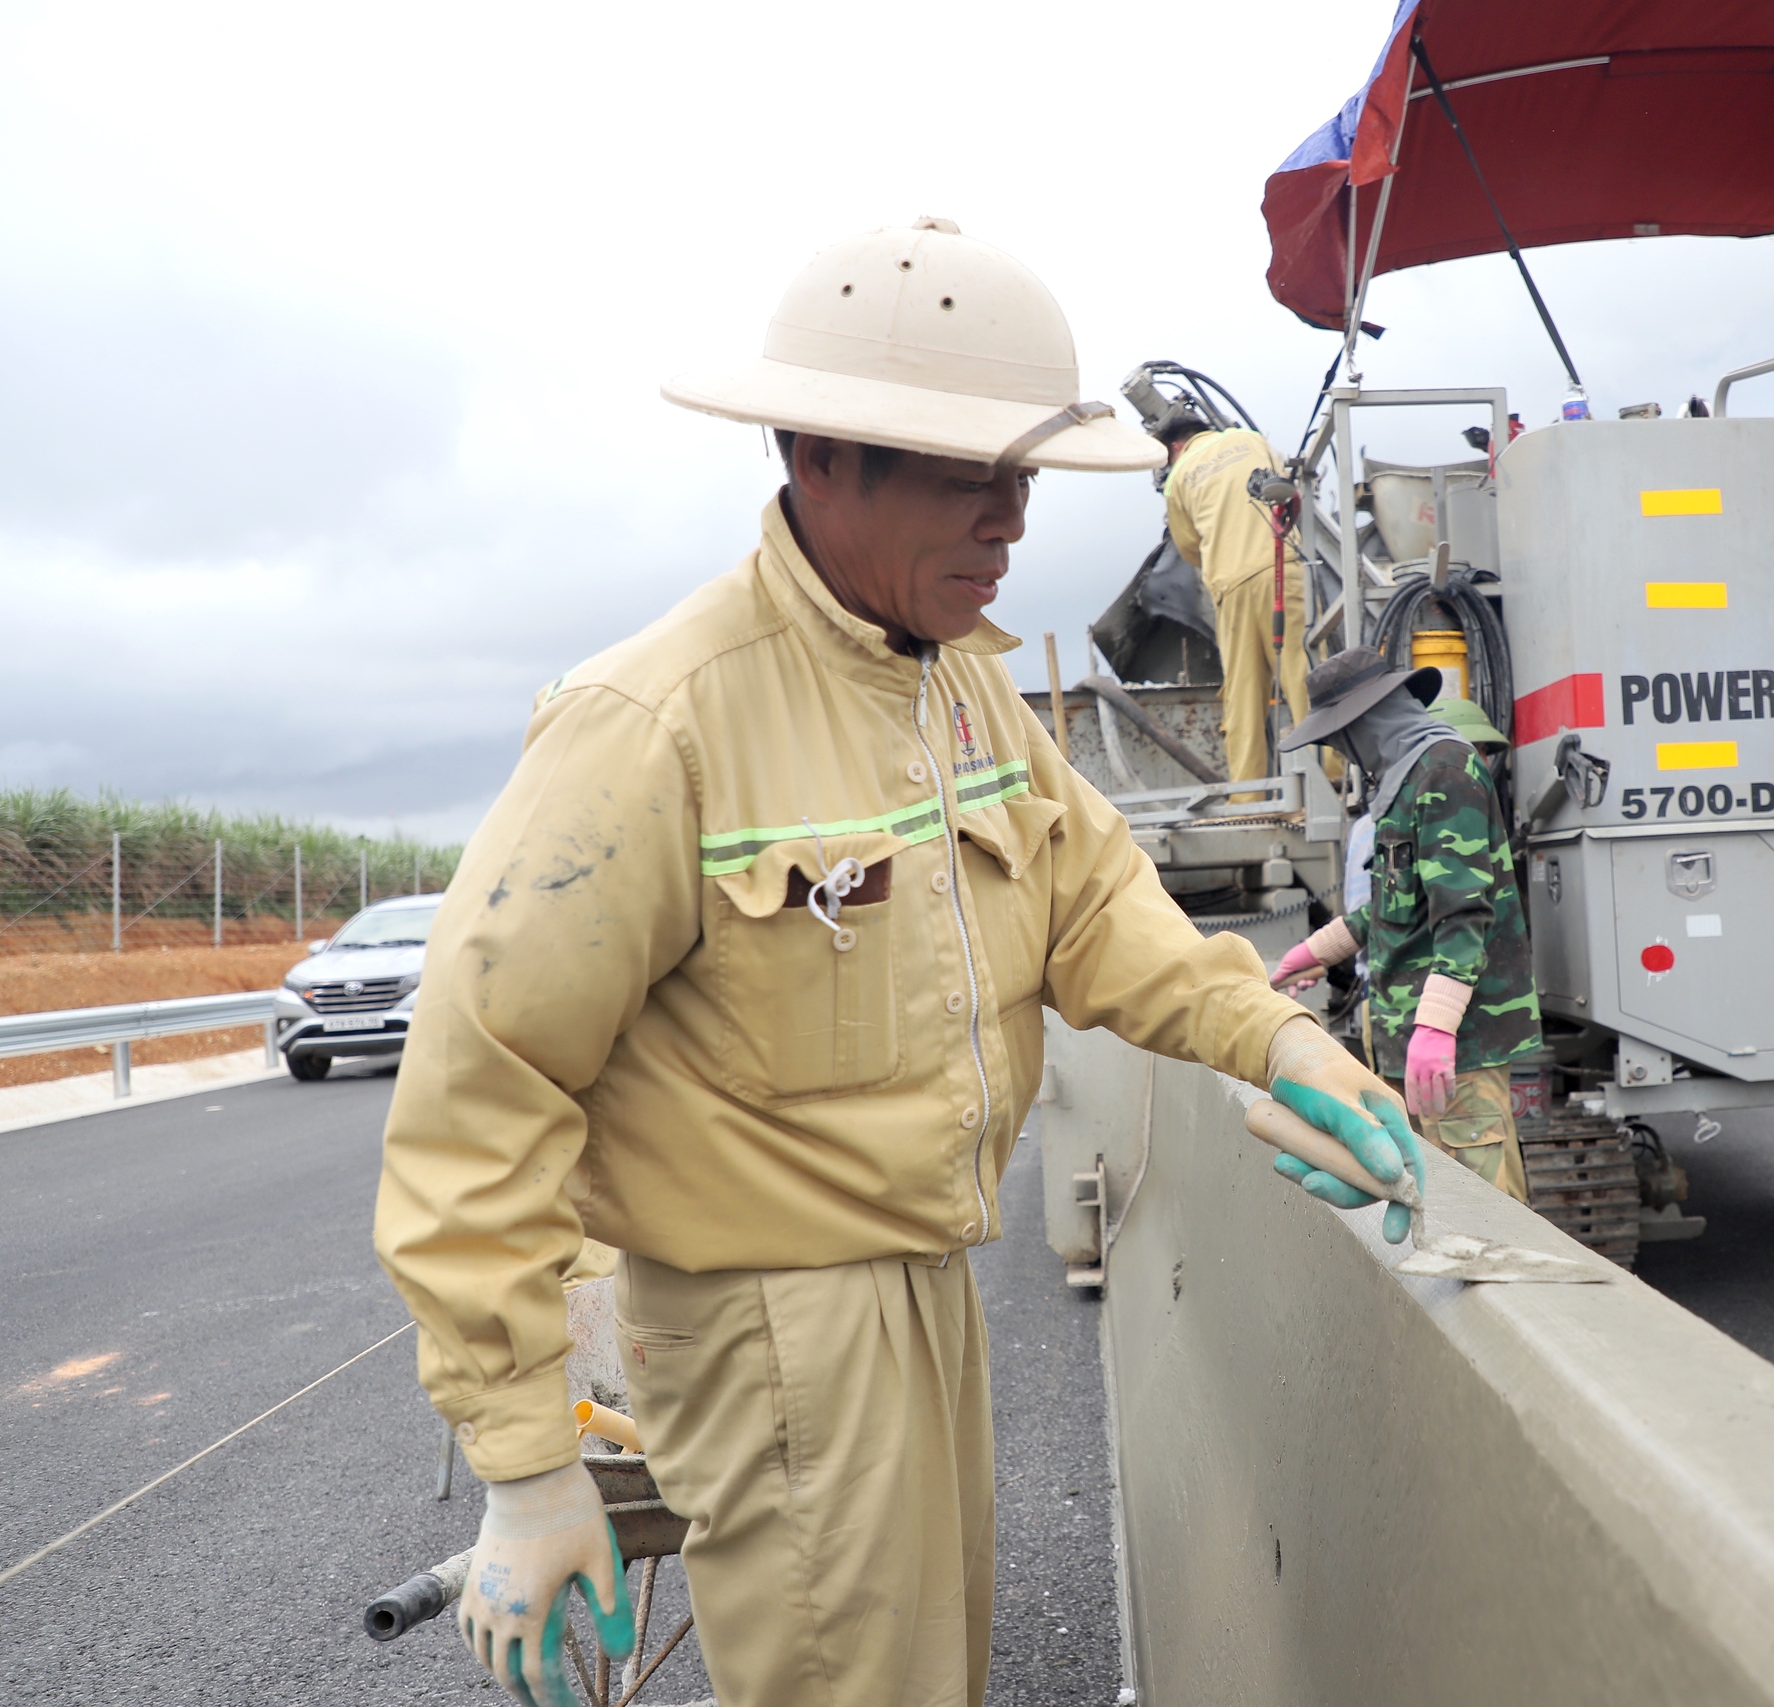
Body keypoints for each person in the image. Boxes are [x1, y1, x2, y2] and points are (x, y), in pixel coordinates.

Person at [372, 218, 1416, 1707]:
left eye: (1024, 476)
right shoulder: (658, 722)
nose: (1010, 520)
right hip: (770, 1325)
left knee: (929, 1676)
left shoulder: (963, 684)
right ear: (815, 457)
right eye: (962, 475)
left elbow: (1095, 901)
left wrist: (1275, 1037)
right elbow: (479, 1096)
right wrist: (528, 1464)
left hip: (925, 1280)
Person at [1271, 650, 1544, 1203]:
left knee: (1483, 1210)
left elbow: (1464, 910)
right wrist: (1318, 951)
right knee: (1433, 1199)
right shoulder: (1405, 779)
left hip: (1459, 1048)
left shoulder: (1443, 772)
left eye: (1338, 739)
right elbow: (1400, 905)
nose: (1340, 753)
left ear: (1364, 725)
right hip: (1413, 1040)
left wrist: (1438, 1028)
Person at [1148, 408, 1314, 790]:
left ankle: (1248, 798)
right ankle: (1333, 781)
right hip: (1281, 567)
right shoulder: (1250, 439)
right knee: (1304, 676)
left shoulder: (1178, 479)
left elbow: (1189, 547)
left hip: (1231, 587)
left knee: (1243, 696)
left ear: (1175, 447)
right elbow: (1285, 491)